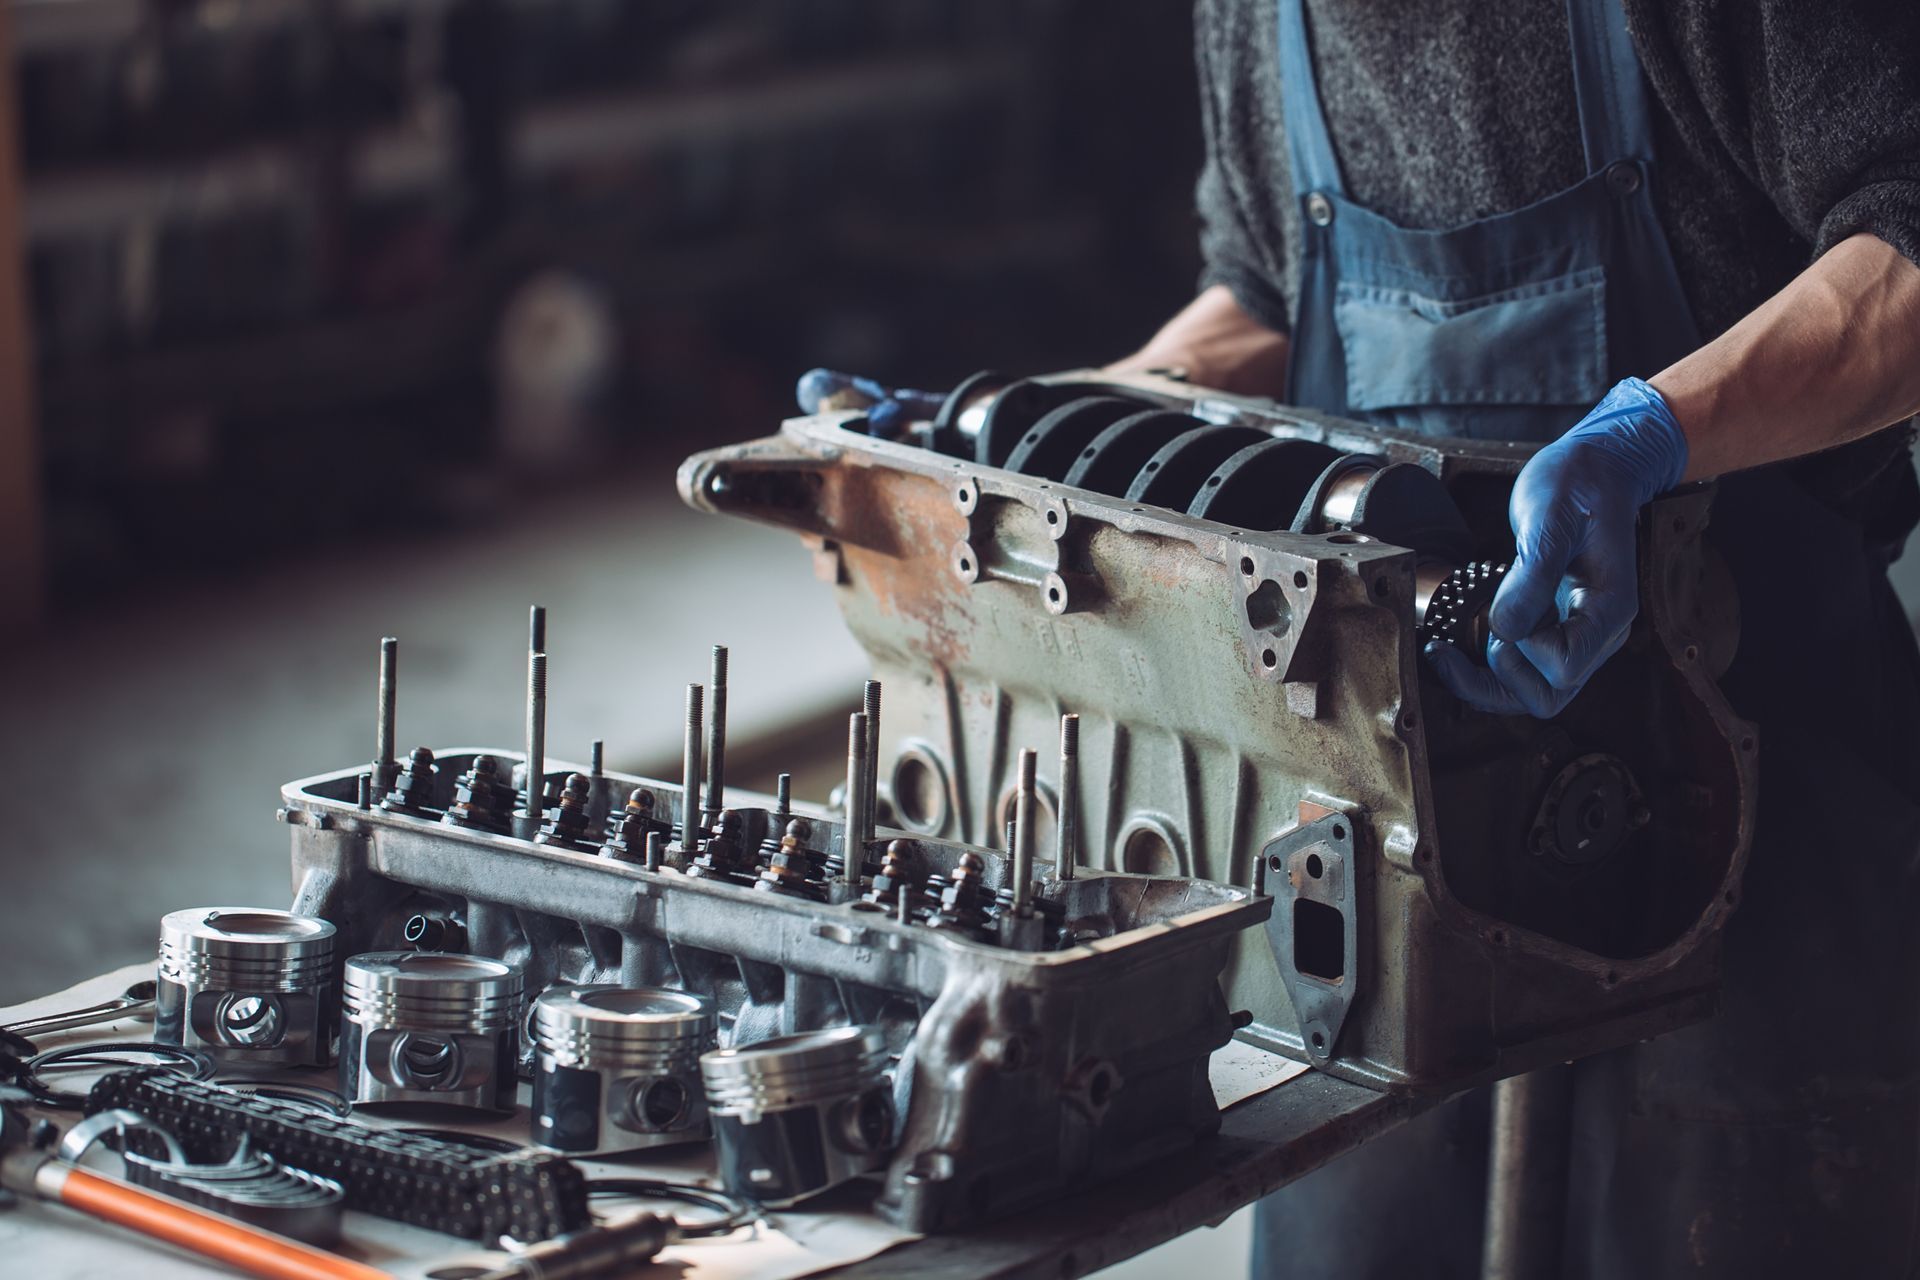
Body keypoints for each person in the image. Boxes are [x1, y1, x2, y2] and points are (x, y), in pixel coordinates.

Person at [805, 0, 1920, 1272]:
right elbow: (1265, 298)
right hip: (1374, 830)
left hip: (1759, 789)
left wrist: (1650, 433)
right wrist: (1029, 433)